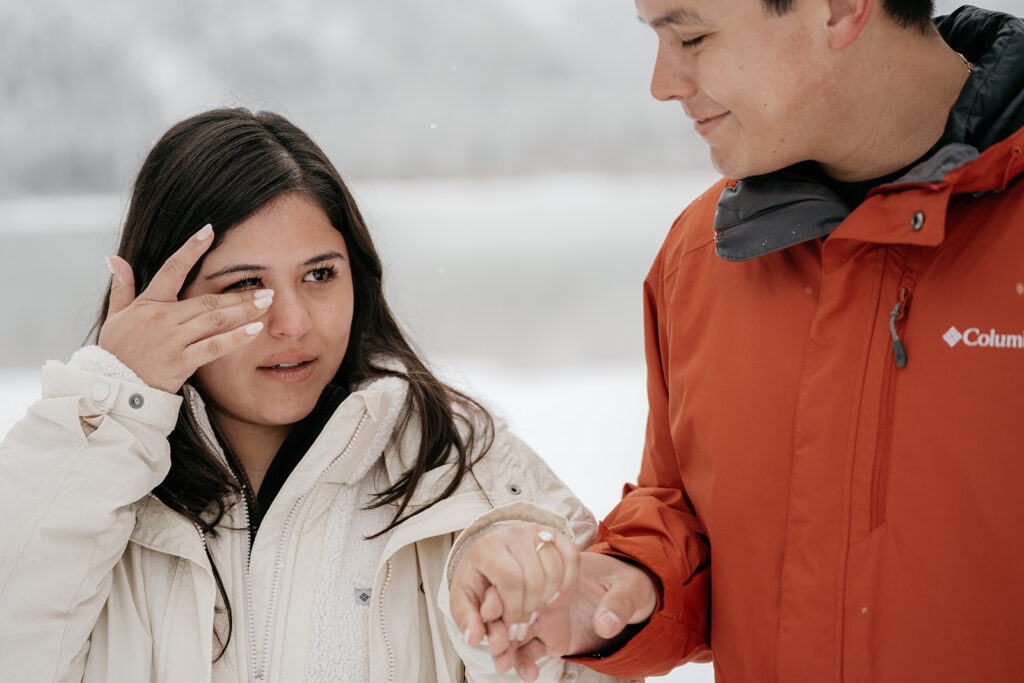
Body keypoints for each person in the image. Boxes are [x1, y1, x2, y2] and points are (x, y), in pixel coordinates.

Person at [449, 1, 1024, 681]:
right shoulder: (702, 257)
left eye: (691, 36)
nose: (662, 82)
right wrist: (615, 589)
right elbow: (686, 518)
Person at [0, 108, 627, 683]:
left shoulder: (465, 467)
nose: (294, 323)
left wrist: (508, 619)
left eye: (320, 274)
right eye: (246, 284)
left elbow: (596, 662)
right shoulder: (88, 490)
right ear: (161, 302)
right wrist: (114, 406)